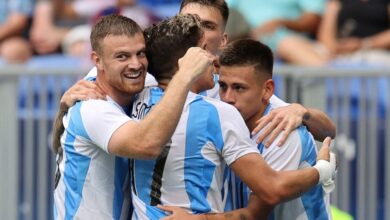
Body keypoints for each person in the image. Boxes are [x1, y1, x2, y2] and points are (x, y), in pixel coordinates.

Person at [131, 13, 336, 219]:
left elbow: (328, 130)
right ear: (187, 62)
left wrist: (303, 111)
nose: (211, 57)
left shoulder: (139, 96)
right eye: (203, 50)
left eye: (238, 88)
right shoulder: (216, 111)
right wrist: (322, 170)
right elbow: (271, 191)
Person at [57, 0, 336, 150]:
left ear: (223, 39)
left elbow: (329, 131)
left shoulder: (231, 87)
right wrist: (63, 109)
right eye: (188, 23)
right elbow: (64, 139)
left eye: (207, 25)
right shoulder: (142, 73)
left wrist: (303, 112)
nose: (197, 33)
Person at [53, 14, 214, 219]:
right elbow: (146, 145)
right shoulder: (92, 107)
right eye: (122, 56)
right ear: (97, 61)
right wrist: (184, 75)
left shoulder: (134, 83)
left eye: (140, 53)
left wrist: (269, 107)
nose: (136, 65)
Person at [218, 39, 332, 219]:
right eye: (222, 86)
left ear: (267, 90)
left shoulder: (284, 133)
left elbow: (255, 214)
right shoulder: (221, 113)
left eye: (239, 88)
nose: (227, 98)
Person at [225, 0, 329, 66]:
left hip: (285, 40)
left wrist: (282, 23)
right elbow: (222, 12)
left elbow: (313, 18)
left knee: (287, 44)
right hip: (243, 41)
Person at [317, 0, 390, 67]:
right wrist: (334, 48)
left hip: (375, 52)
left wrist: (363, 44)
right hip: (338, 53)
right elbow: (325, 34)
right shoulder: (337, 2)